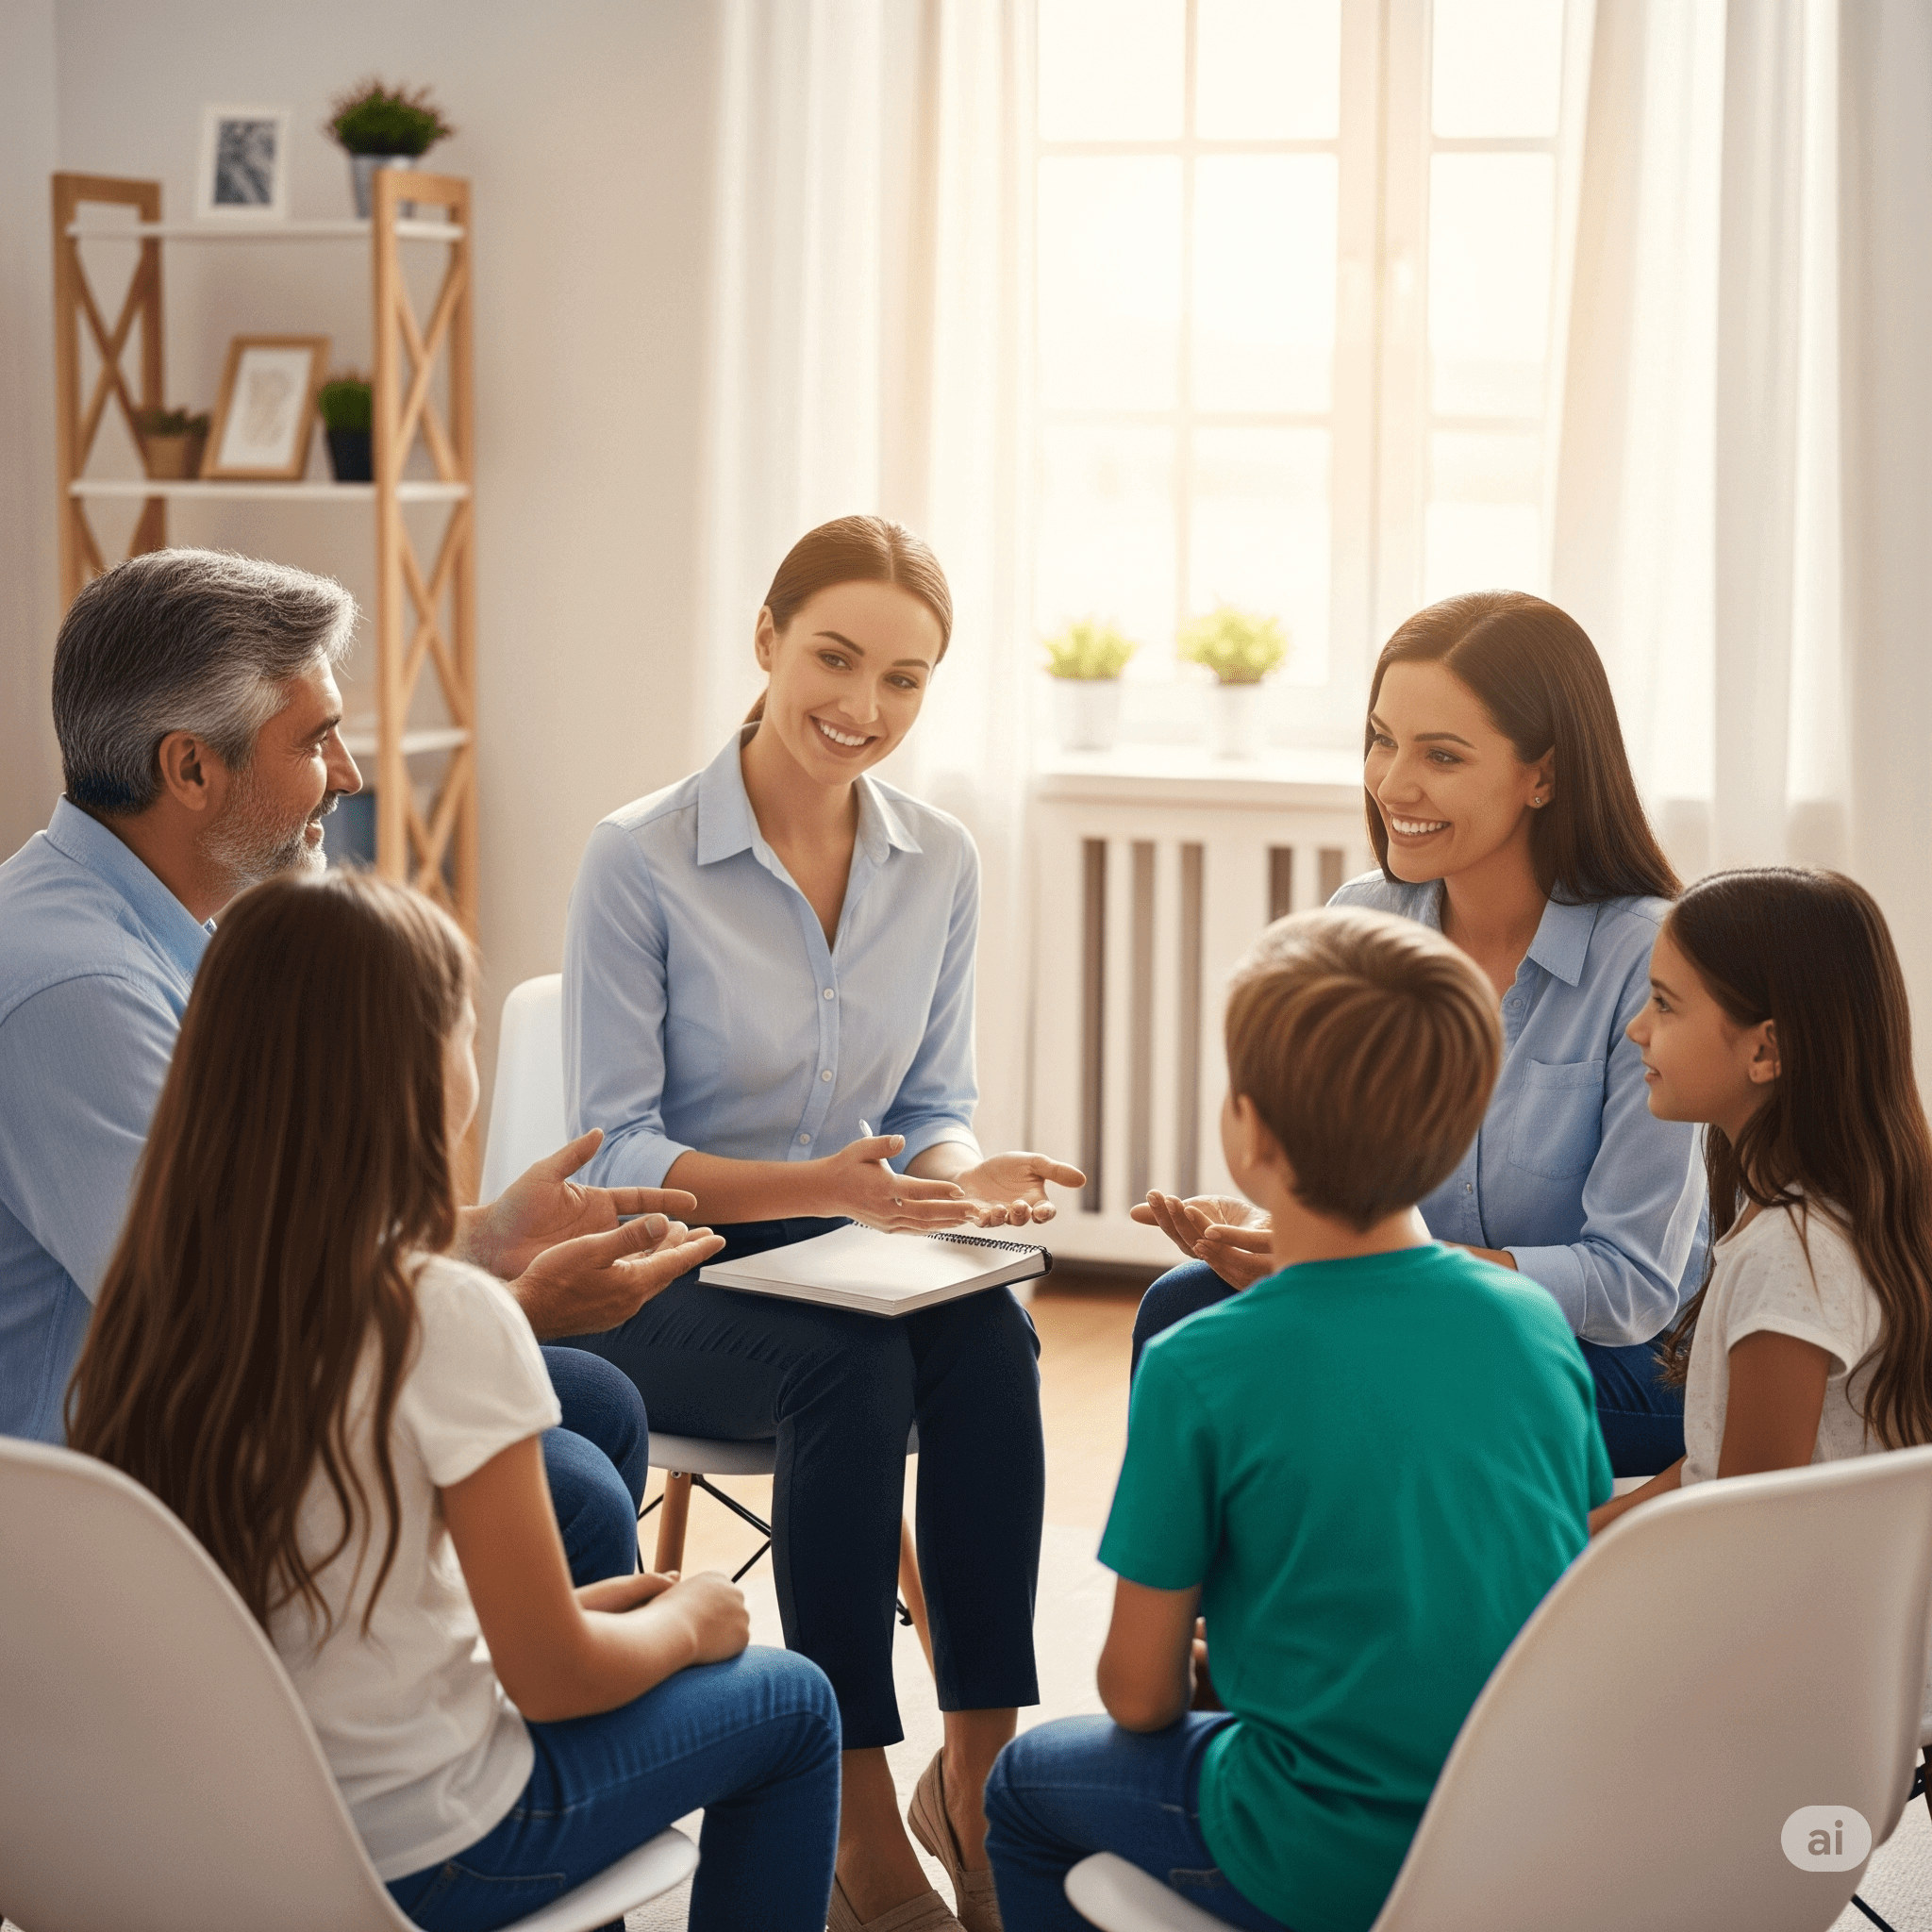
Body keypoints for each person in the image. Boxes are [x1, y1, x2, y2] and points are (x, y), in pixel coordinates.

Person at [67, 870, 841, 1932]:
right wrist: (689, 1622)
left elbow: (353, 1608)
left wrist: (602, 1615)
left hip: (207, 1839)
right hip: (417, 1854)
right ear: (420, 1074)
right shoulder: (443, 1314)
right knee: (793, 1701)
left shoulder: (153, 1305)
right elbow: (556, 1677)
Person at [562, 514, 1084, 1932]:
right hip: (665, 1270)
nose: (864, 709)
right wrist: (826, 1192)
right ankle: (858, 1807)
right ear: (767, 643)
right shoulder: (642, 857)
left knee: (987, 1333)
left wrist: (962, 1180)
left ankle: (978, 1776)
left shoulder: (942, 860)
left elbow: (931, 1098)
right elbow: (618, 1149)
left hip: (850, 1250)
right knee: (843, 1369)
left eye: (905, 680)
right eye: (836, 660)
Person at [0, 549, 683, 1585]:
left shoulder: (166, 928)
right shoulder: (75, 990)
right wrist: (511, 1312)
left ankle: (526, 1715)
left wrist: (484, 1240)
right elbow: (222, 1327)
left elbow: (259, 1243)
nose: (352, 776)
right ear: (189, 768)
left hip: (206, 1410)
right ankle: (496, 1732)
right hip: (116, 1501)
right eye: (315, 739)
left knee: (594, 1401)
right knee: (571, 1489)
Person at [983, 907, 1610, 1930]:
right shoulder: (1532, 1321)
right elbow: (1547, 1570)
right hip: (1527, 1833)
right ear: (1458, 1129)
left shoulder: (1198, 1360)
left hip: (1321, 1853)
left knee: (1020, 1788)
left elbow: (1137, 1696)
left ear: (1247, 1127)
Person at [1133, 591, 1705, 1475]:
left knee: (1392, 1360)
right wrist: (1270, 1231)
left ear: (1542, 775)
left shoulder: (1647, 954)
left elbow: (1631, 1289)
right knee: (1186, 1311)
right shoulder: (1360, 922)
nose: (1394, 784)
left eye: (1441, 755)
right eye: (1381, 738)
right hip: (1398, 1296)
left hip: (1620, 1355)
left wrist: (1382, 1277)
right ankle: (1214, 1605)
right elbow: (1344, 1184)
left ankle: (1377, 1602)